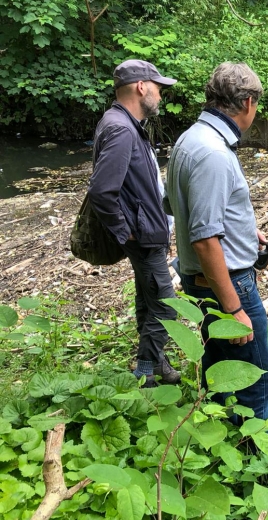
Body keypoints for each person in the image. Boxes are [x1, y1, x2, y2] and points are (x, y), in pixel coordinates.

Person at [164, 62, 268, 421]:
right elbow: (205, 239)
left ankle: (223, 444)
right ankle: (252, 461)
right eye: (256, 104)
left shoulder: (190, 139)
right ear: (246, 103)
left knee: (221, 371)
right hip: (228, 287)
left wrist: (244, 232)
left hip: (207, 282)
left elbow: (180, 208)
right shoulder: (214, 154)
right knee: (255, 381)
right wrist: (234, 309)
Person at [87, 59, 181, 388]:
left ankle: (160, 366)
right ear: (142, 87)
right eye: (157, 88)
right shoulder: (120, 128)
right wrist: (124, 230)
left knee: (148, 301)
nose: (160, 95)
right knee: (166, 309)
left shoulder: (122, 123)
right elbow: (101, 190)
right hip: (143, 237)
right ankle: (144, 371)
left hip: (144, 234)